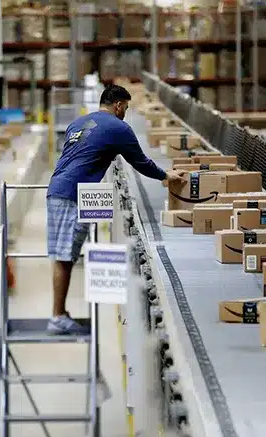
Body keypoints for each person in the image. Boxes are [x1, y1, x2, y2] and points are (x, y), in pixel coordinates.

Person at [45, 84, 185, 334]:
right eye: (126, 108)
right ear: (118, 105)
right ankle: (57, 317)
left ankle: (59, 312)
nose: (125, 113)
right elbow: (141, 161)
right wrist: (167, 175)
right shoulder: (118, 127)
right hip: (72, 195)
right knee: (65, 257)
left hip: (58, 188)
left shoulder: (79, 123)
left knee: (63, 255)